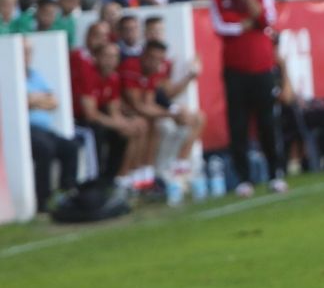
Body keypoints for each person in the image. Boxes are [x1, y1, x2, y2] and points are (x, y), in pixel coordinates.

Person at [209, 0, 285, 196]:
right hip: (235, 70)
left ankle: (275, 173)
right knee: (238, 124)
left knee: (267, 122)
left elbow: (266, 20)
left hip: (262, 67)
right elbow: (223, 27)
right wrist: (246, 24)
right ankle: (243, 178)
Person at [121, 39, 205, 188]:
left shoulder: (153, 72)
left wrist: (172, 112)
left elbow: (149, 101)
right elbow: (137, 105)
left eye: (160, 59)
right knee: (145, 124)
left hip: (148, 110)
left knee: (196, 118)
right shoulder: (131, 66)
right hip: (124, 112)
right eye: (153, 58)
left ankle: (170, 169)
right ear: (144, 55)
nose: (156, 63)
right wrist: (170, 114)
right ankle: (127, 177)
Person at [74, 40, 150, 188]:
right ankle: (94, 182)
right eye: (107, 56)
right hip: (80, 120)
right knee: (98, 132)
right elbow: (90, 114)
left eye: (114, 57)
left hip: (99, 117)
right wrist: (120, 124)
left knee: (131, 130)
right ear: (96, 57)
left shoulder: (113, 77)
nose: (111, 60)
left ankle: (117, 177)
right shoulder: (88, 75)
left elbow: (114, 111)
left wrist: (127, 124)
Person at [24, 38, 80, 209]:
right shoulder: (8, 75)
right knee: (45, 149)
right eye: (24, 52)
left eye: (29, 52)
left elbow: (53, 101)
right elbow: (20, 102)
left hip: (44, 130)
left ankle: (67, 193)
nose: (27, 56)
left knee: (70, 146)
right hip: (26, 131)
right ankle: (43, 200)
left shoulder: (35, 75)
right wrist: (34, 100)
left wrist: (33, 100)